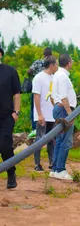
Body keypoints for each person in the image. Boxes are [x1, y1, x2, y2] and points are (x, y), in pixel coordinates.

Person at [50, 54, 76, 180]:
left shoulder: (57, 75)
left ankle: (55, 169)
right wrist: (70, 114)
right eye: (72, 61)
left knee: (60, 141)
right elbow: (64, 97)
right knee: (66, 141)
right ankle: (60, 169)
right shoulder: (63, 77)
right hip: (64, 111)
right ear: (69, 63)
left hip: (59, 109)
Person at [32, 55, 58, 172]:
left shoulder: (55, 77)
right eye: (56, 64)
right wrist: (39, 114)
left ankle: (52, 162)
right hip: (42, 114)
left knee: (51, 140)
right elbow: (36, 96)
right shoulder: (38, 78)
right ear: (51, 65)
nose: (57, 66)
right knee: (39, 139)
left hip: (52, 114)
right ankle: (37, 164)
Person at [0, 47, 21, 189]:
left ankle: (11, 172)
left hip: (6, 116)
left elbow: (17, 93)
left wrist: (16, 112)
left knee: (5, 146)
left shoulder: (10, 71)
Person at [27, 47, 53, 136]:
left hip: (36, 87)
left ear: (44, 54)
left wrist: (35, 74)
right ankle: (49, 129)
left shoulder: (38, 62)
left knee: (34, 107)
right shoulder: (51, 63)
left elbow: (29, 71)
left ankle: (35, 128)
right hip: (48, 88)